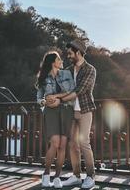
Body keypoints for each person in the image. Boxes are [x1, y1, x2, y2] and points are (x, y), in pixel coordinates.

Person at [47, 39, 96, 189]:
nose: (68, 56)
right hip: (70, 111)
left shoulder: (90, 69)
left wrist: (58, 98)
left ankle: (90, 176)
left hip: (85, 110)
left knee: (84, 143)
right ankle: (76, 176)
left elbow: (78, 91)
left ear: (79, 53)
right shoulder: (68, 70)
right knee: (72, 144)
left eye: (70, 53)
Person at [36, 51, 75, 188]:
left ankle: (57, 177)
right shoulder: (43, 78)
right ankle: (46, 174)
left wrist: (57, 98)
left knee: (63, 145)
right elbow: (39, 98)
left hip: (66, 110)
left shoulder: (67, 74)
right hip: (50, 111)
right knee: (55, 143)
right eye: (59, 59)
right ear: (53, 62)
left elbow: (71, 92)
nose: (61, 61)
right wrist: (45, 102)